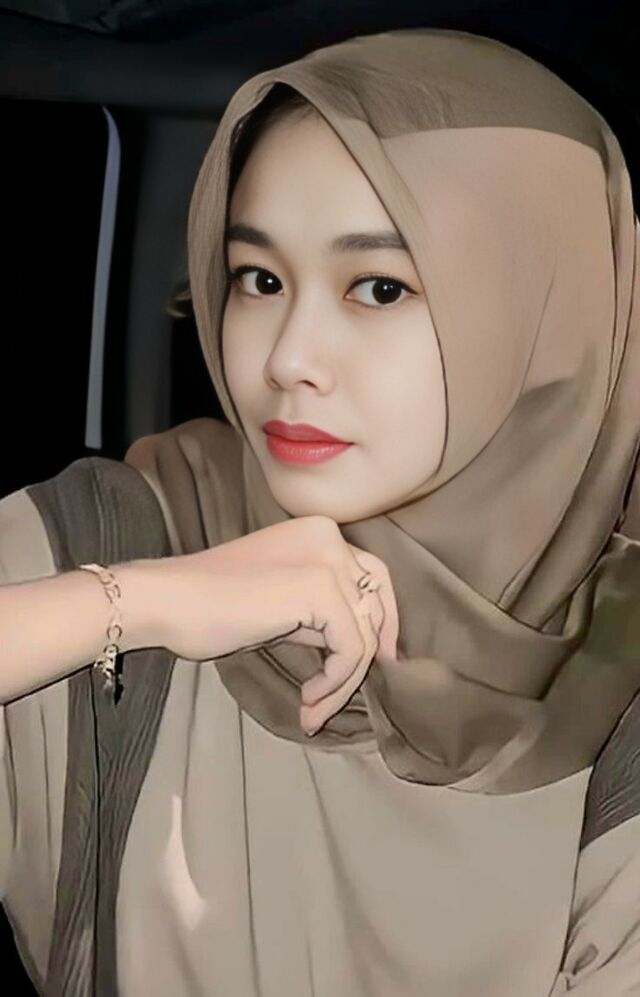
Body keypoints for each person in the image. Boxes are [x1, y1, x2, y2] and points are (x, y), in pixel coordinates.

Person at [1, 26, 639, 997]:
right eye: (258, 279)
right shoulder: (127, 531)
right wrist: (137, 601)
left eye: (378, 288)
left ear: (543, 320)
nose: (287, 355)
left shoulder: (618, 688)